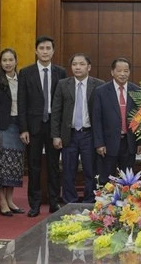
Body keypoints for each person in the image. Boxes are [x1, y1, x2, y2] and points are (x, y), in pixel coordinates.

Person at [18, 36, 66, 217]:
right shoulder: (26, 72)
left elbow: (62, 102)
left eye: (48, 48)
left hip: (53, 127)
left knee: (54, 166)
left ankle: (54, 203)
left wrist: (60, 129)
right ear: (36, 51)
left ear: (53, 51)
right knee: (34, 165)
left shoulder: (60, 72)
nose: (45, 51)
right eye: (42, 48)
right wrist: (23, 128)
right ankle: (35, 204)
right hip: (33, 127)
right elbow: (22, 102)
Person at [52, 53, 104, 204]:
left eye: (81, 64)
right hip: (69, 134)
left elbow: (103, 114)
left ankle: (89, 201)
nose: (78, 67)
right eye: (74, 64)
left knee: (90, 171)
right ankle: (70, 202)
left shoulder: (99, 85)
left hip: (89, 134)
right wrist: (56, 135)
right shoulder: (63, 84)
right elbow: (56, 112)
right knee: (68, 171)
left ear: (89, 67)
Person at [92, 57, 141, 185]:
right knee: (106, 180)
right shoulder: (101, 91)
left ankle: (127, 204)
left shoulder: (137, 91)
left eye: (126, 71)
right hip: (108, 143)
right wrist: (99, 143)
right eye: (119, 71)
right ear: (112, 72)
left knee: (128, 180)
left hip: (129, 142)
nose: (122, 74)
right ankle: (104, 204)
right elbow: (96, 119)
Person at [0, 48, 25, 217]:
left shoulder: (22, 80)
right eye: (4, 60)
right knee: (1, 166)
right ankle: (2, 202)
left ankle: (10, 200)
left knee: (14, 166)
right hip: (3, 127)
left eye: (11, 60)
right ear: (0, 62)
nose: (8, 63)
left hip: (18, 126)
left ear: (16, 61)